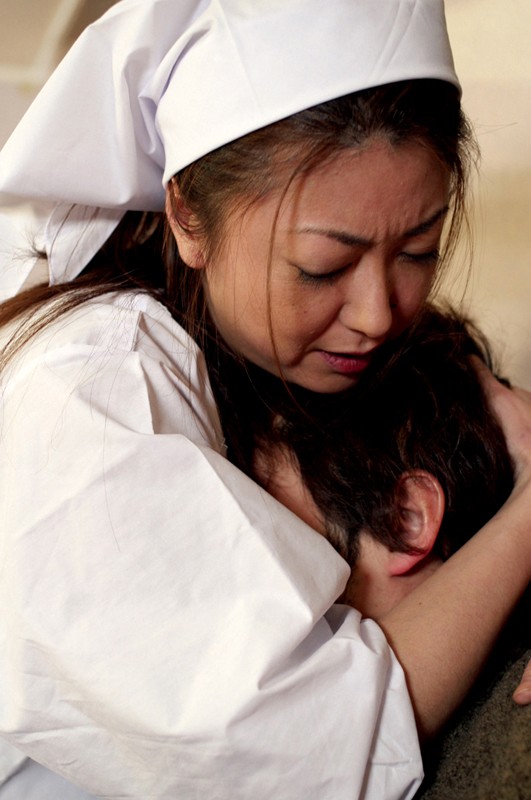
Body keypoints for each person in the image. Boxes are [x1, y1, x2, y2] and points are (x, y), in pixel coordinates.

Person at [0, 1, 530, 797]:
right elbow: (310, 748)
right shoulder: (94, 393)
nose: (377, 313)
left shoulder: (250, 350)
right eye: (322, 267)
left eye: (418, 251)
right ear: (188, 216)